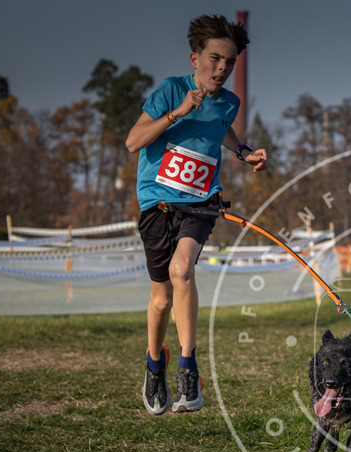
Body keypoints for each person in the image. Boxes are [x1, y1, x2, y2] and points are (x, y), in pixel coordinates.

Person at [125, 14, 267, 415]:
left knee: (182, 270)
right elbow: (133, 141)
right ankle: (156, 364)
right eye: (215, 59)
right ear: (195, 59)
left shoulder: (231, 103)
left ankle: (188, 366)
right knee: (160, 299)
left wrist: (242, 152)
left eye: (230, 62)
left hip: (201, 200)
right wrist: (178, 112)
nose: (222, 68)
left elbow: (221, 127)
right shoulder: (171, 91)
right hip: (157, 202)